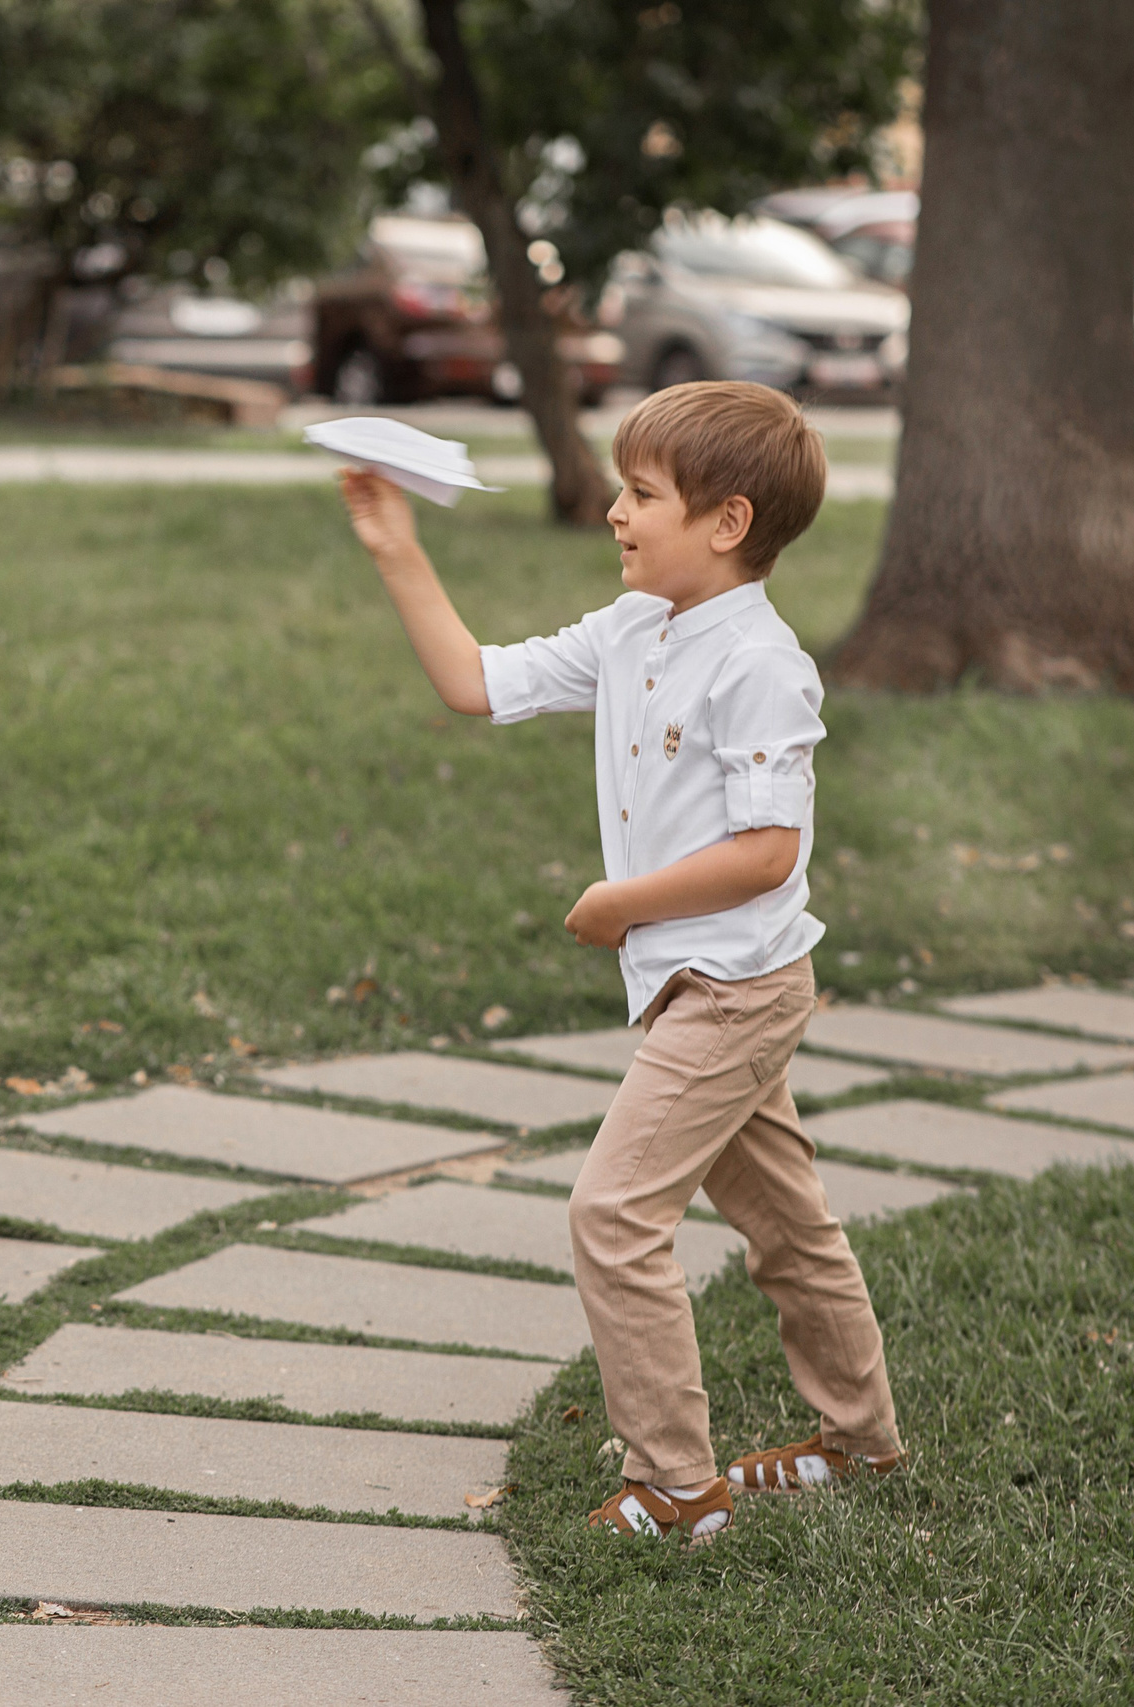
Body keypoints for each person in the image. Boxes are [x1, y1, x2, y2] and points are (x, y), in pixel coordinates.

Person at [339, 382, 903, 1542]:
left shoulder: (760, 665)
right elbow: (474, 683)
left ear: (727, 523)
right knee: (788, 1227)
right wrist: (395, 545)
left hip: (736, 993)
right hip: (693, 987)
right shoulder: (632, 627)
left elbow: (767, 852)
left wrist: (619, 906)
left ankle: (677, 1485)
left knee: (612, 1214)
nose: (614, 512)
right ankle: (859, 1443)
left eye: (641, 494)